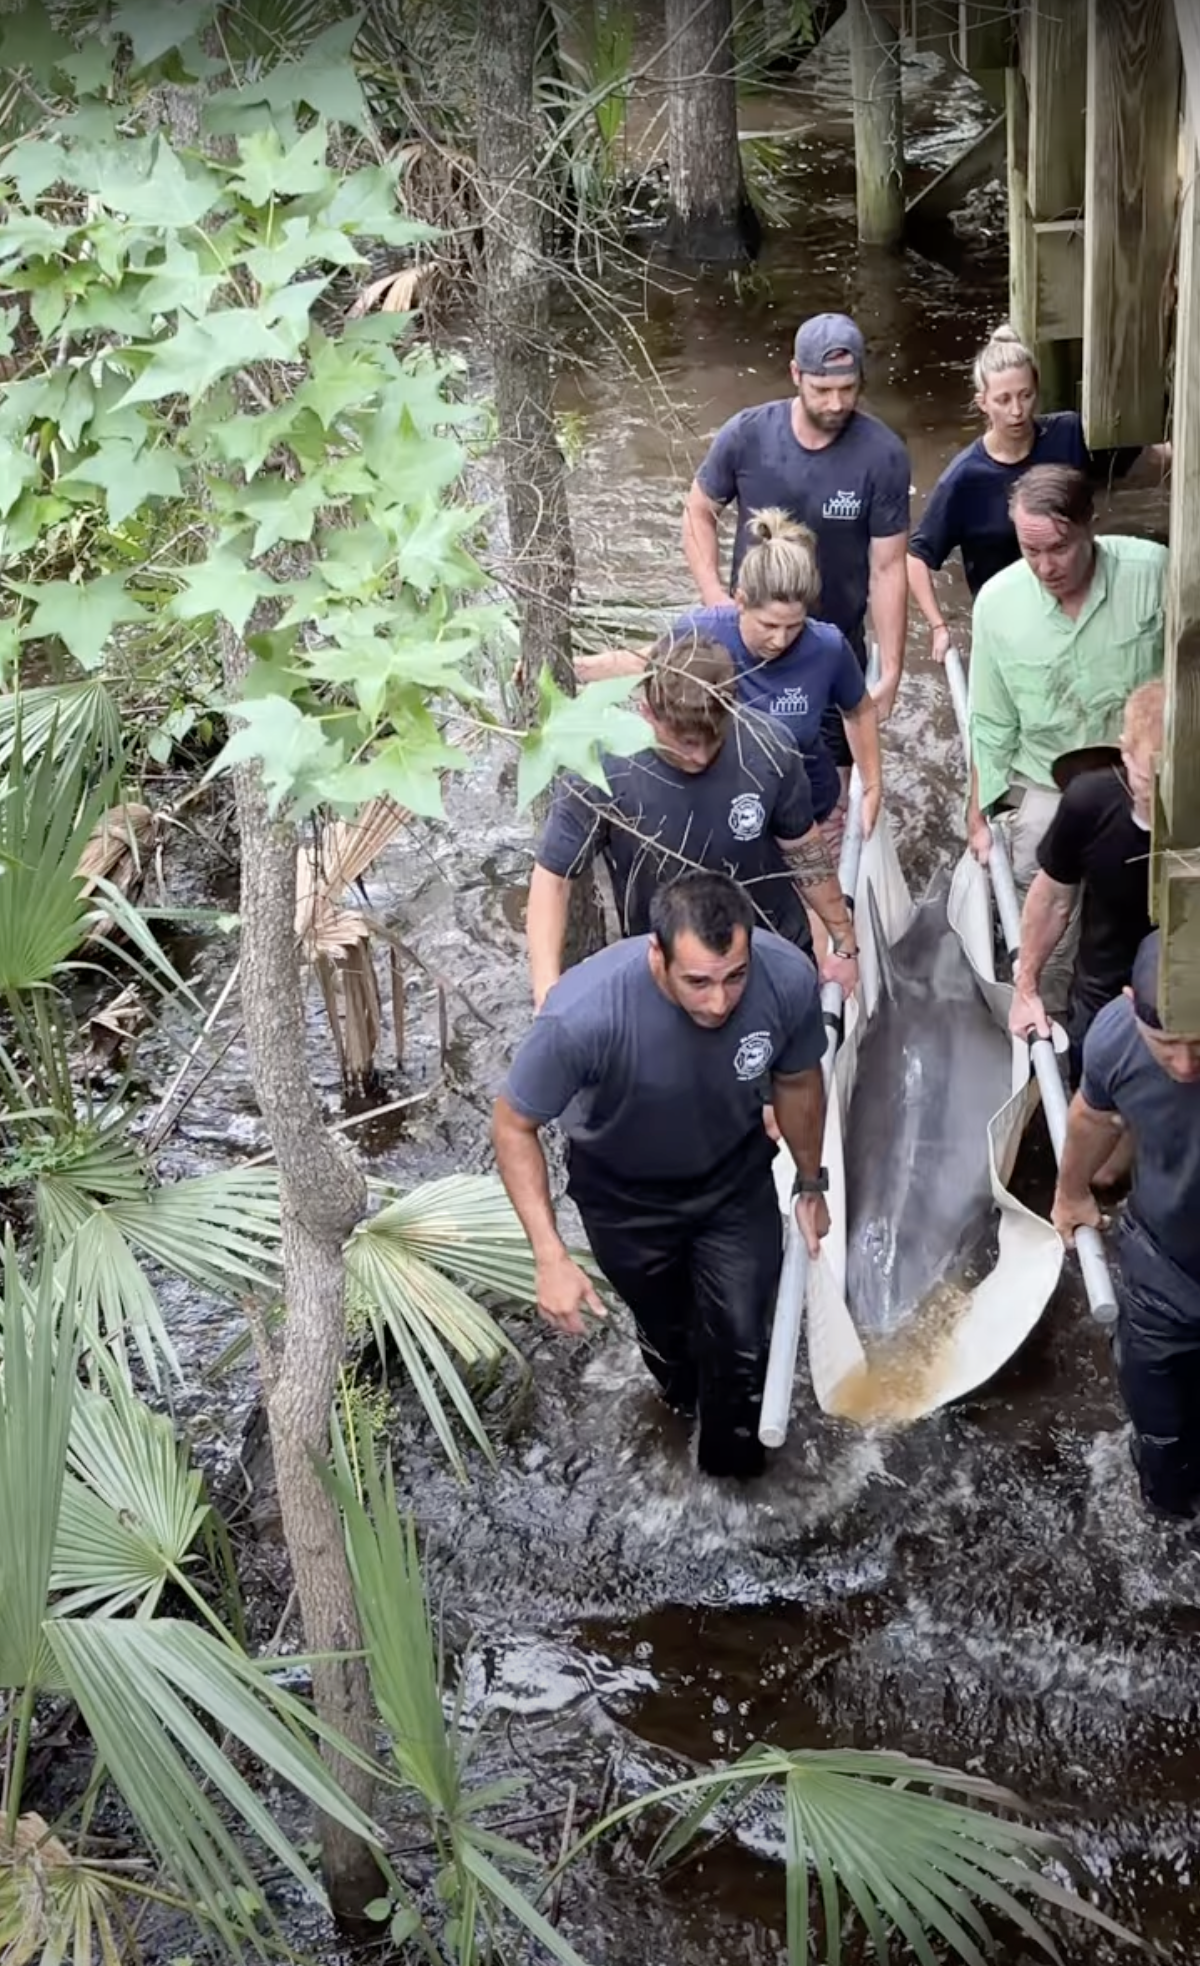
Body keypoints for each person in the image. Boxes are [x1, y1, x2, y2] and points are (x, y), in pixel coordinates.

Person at [493, 870, 831, 1480]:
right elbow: (514, 1125)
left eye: (735, 977)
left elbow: (799, 1080)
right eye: (698, 982)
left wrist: (810, 1183)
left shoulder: (786, 978)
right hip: (626, 1204)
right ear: (658, 956)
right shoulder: (582, 1016)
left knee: (742, 1345)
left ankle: (731, 1487)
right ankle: (678, 1404)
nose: (719, 1002)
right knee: (673, 1346)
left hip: (733, 1186)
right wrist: (549, 1255)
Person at [526, 632, 859, 1010]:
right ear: (648, 713)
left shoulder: (770, 746)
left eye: (713, 739)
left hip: (769, 949)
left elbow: (805, 851)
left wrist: (844, 945)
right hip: (673, 972)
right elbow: (553, 878)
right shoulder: (601, 771)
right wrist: (545, 988)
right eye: (685, 742)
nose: (700, 756)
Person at [576, 508, 883, 850]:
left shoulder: (828, 648)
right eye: (769, 625)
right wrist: (573, 669)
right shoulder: (703, 632)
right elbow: (643, 663)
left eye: (793, 626)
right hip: (732, 808)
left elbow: (859, 711)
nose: (780, 640)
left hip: (808, 807)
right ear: (740, 601)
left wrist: (872, 786)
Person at [681, 312, 910, 754]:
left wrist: (892, 670)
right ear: (795, 374)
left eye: (848, 389)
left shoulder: (883, 456)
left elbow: (888, 568)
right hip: (751, 642)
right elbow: (698, 512)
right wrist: (713, 594)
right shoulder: (747, 435)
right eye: (822, 390)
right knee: (737, 765)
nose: (836, 403)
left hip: (834, 645)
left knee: (833, 782)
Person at [965, 465, 1165, 921]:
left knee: (1153, 906)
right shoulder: (996, 605)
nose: (1045, 567)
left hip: (1140, 773)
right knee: (1040, 892)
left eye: (1059, 548)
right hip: (1046, 780)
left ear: (1090, 526)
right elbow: (991, 723)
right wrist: (977, 814)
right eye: (1030, 550)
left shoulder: (1155, 573)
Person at [1053, 932, 1200, 1523]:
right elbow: (1091, 1116)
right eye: (1167, 1046)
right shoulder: (1116, 1035)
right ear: (1130, 1002)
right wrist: (1070, 1193)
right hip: (1165, 1269)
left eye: (1198, 1042)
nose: (1184, 1065)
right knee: (1162, 1439)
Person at [908, 325, 1165, 661]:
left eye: (1025, 395)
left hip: (1078, 602)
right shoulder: (963, 480)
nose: (1017, 411)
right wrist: (939, 627)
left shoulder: (1070, 433)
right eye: (1003, 400)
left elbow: (1145, 458)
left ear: (1037, 390)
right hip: (1012, 621)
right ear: (982, 403)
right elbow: (916, 557)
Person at [1008, 680, 1160, 1104]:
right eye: (1148, 779)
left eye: (1175, 781)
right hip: (1103, 989)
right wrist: (1026, 989)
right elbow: (1052, 899)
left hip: (1185, 997)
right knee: (1095, 1105)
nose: (1162, 796)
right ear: (1125, 752)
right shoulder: (1090, 801)